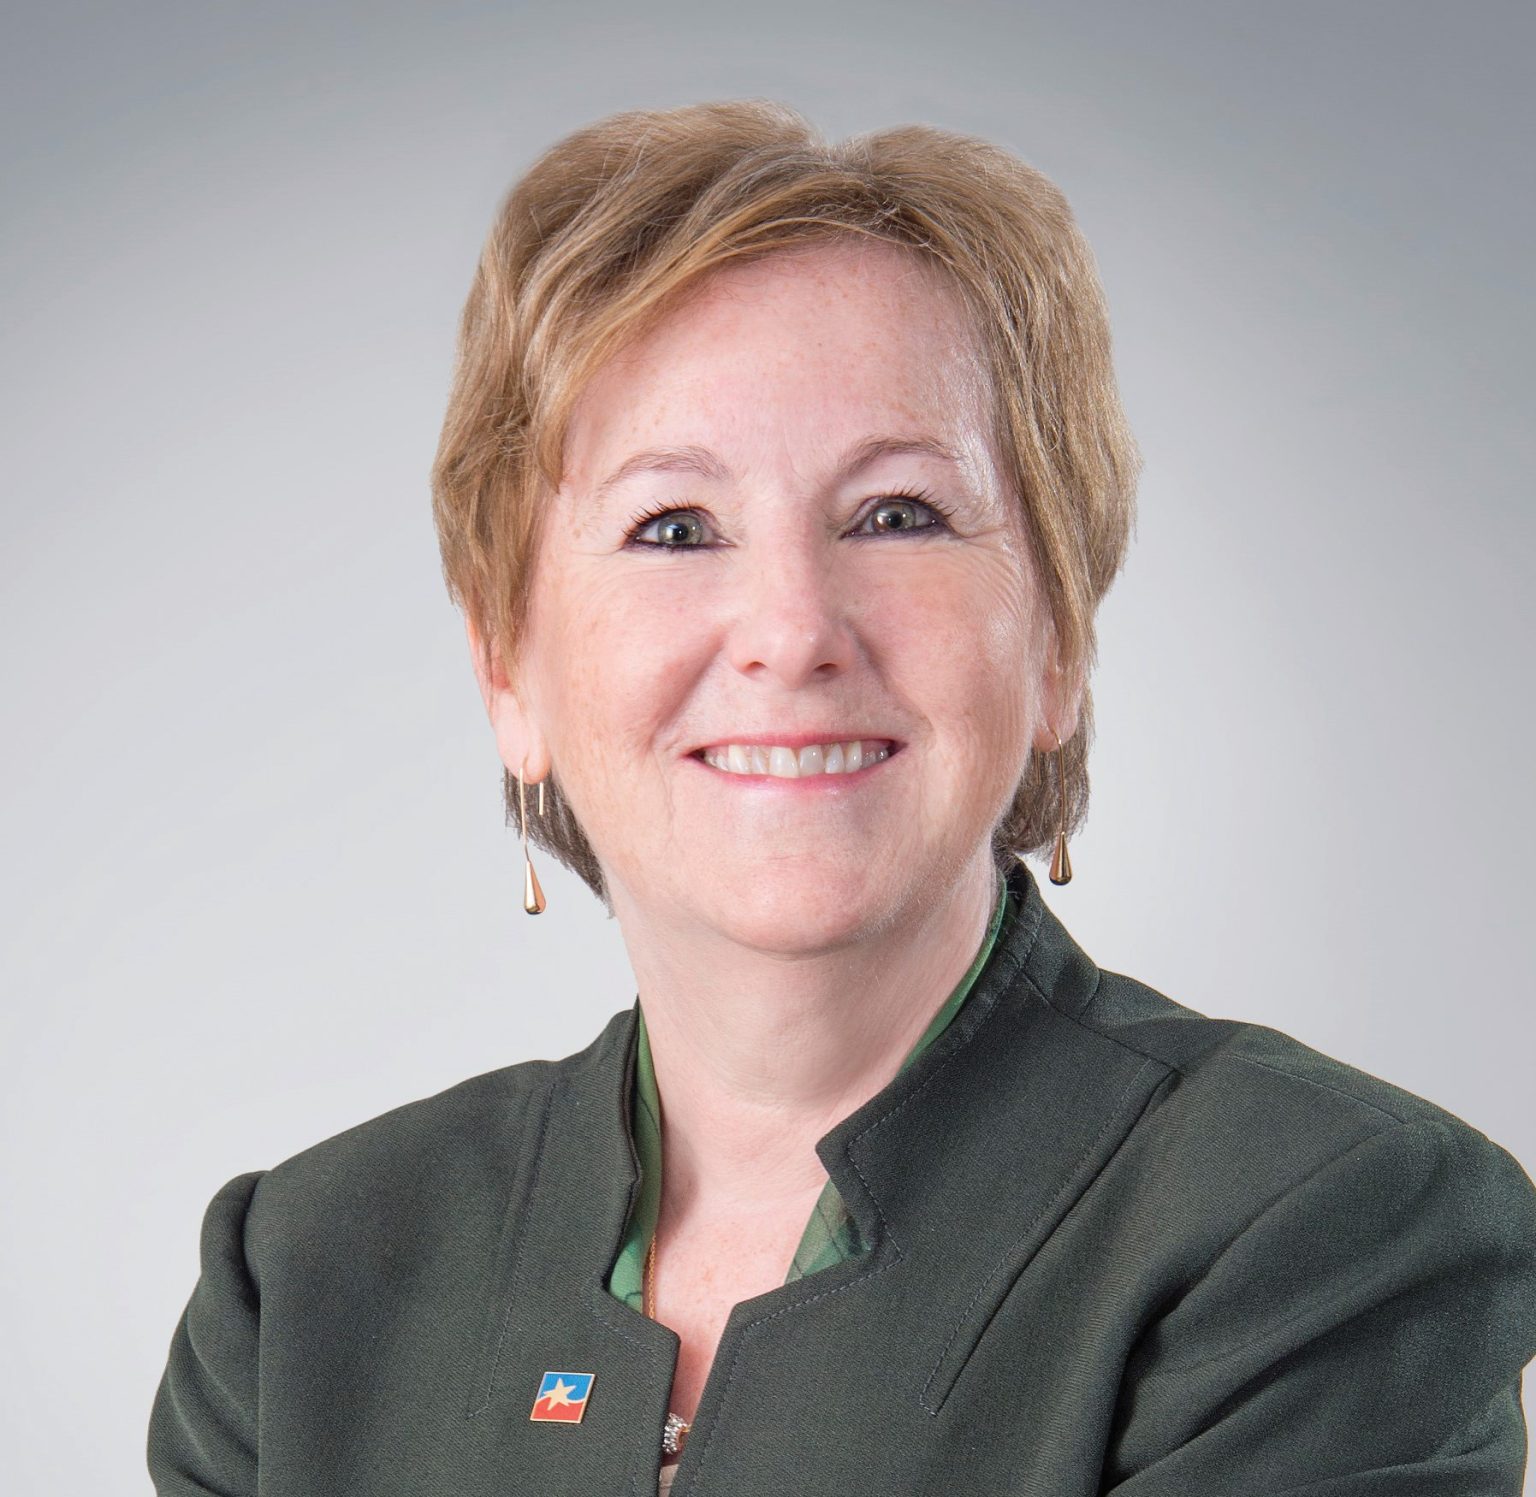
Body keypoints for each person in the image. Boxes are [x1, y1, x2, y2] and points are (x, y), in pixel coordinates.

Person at [147, 99, 1536, 1496]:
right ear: (508, 669)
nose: (791, 630)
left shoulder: (1326, 1234)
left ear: (1056, 640)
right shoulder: (304, 1286)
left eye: (897, 514)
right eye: (674, 527)